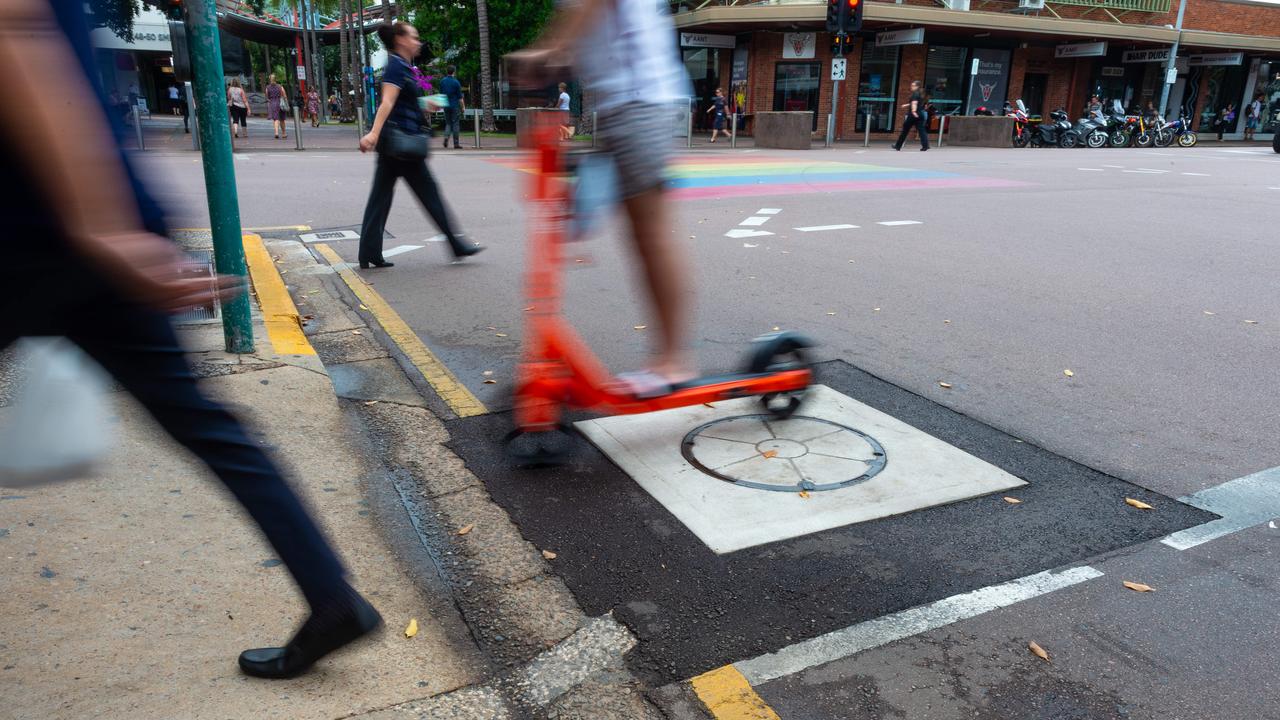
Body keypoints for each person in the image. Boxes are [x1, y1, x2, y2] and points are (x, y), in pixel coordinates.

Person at [1, 0, 382, 680]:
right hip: (94, 219)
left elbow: (15, 28)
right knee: (211, 427)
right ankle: (331, 597)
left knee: (207, 426)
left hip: (40, 231)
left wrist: (98, 226)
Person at [510, 0, 696, 394]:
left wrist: (550, 50)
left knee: (650, 232)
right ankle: (669, 358)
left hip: (640, 98)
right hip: (622, 103)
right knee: (631, 232)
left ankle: (673, 362)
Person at [357, 21, 484, 268]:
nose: (418, 42)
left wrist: (426, 103)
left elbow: (404, 102)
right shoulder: (396, 66)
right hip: (402, 144)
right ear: (401, 40)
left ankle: (369, 252)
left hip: (395, 144)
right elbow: (387, 102)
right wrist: (372, 134)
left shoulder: (403, 66)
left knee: (380, 199)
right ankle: (456, 245)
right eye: (414, 37)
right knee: (430, 195)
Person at [894, 80, 929, 151]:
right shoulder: (920, 94)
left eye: (913, 85)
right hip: (920, 114)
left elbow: (914, 104)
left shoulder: (915, 94)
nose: (911, 87)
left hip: (913, 115)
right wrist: (906, 105)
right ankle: (925, 146)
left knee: (905, 130)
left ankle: (898, 146)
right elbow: (915, 103)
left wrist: (913, 111)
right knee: (921, 130)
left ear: (917, 86)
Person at [439, 65, 464, 149]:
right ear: (454, 72)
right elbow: (460, 98)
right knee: (455, 124)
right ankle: (456, 144)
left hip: (446, 105)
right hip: (454, 105)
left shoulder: (442, 81)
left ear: (447, 71)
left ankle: (446, 138)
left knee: (448, 123)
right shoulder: (456, 82)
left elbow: (441, 95)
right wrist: (463, 107)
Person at [266, 73, 287, 139]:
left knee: (275, 119)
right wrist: (286, 103)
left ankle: (276, 132)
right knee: (282, 119)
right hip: (280, 103)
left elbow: (267, 97)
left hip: (272, 103)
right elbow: (284, 96)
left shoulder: (267, 87)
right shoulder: (280, 87)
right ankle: (283, 133)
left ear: (270, 79)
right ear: (276, 79)